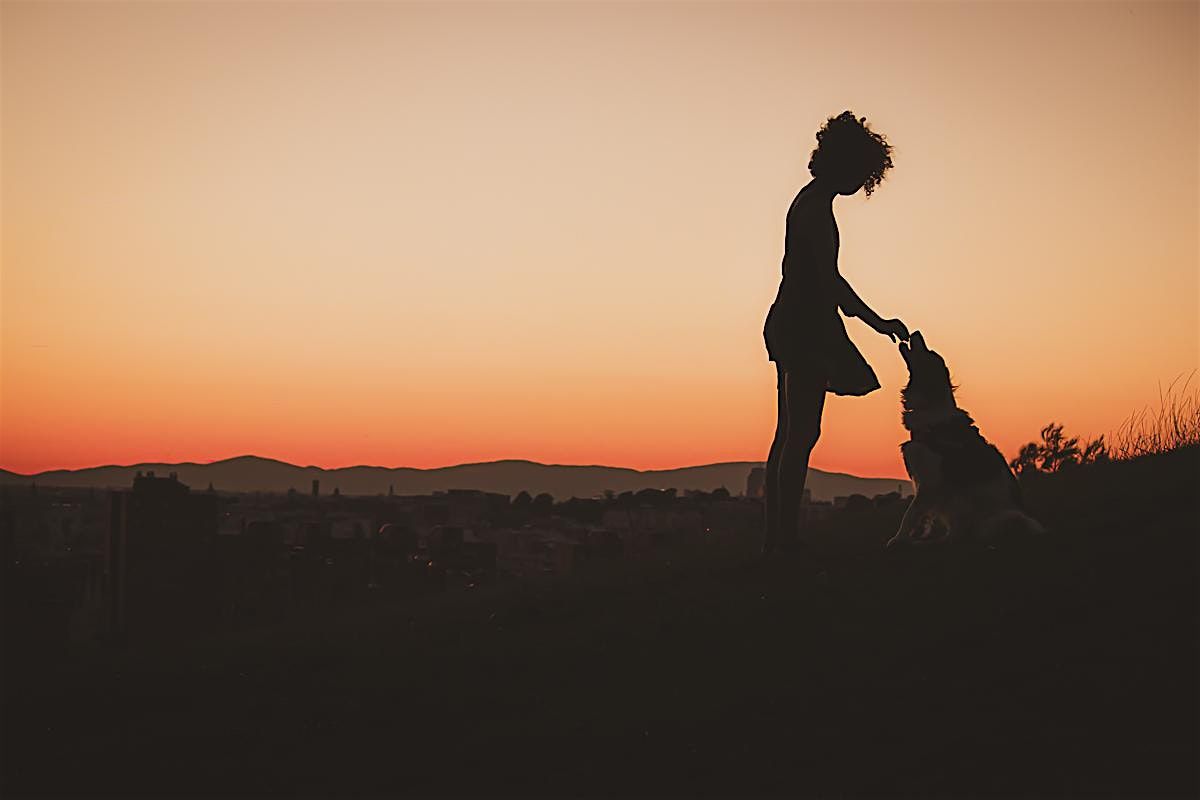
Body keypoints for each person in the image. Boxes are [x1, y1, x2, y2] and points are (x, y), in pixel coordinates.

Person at [762, 111, 909, 555]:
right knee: (800, 433)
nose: (860, 182)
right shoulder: (812, 208)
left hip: (797, 322)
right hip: (804, 326)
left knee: (790, 433)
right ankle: (783, 541)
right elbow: (830, 282)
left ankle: (778, 539)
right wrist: (878, 322)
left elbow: (827, 280)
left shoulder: (811, 202)